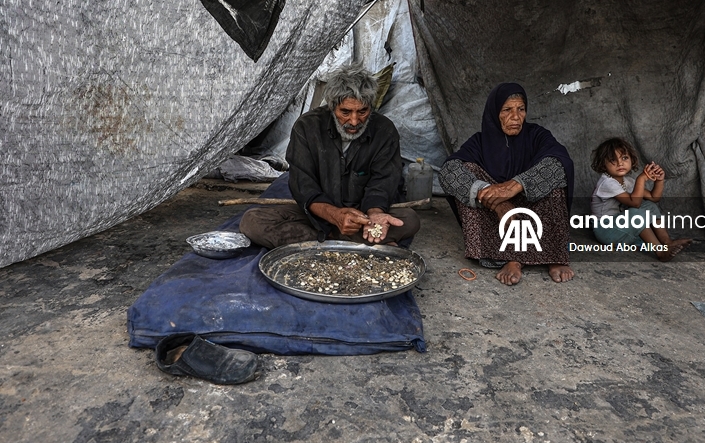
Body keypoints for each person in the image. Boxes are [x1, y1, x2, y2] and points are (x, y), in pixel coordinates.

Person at [239, 64, 420, 248]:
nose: (354, 121)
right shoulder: (307, 127)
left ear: (370, 108)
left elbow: (383, 182)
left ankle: (322, 242)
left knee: (410, 219)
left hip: (361, 214)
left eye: (362, 111)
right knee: (252, 221)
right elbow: (304, 185)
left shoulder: (384, 130)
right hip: (319, 213)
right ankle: (345, 240)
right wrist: (335, 216)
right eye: (345, 112)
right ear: (332, 107)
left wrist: (375, 214)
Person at [439, 83, 574, 285]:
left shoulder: (537, 135)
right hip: (498, 217)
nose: (516, 117)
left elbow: (560, 163)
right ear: (495, 113)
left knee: (554, 168)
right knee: (466, 170)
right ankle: (512, 258)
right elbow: (448, 172)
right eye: (507, 110)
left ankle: (553, 256)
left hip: (532, 210)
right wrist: (497, 202)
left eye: (521, 109)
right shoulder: (480, 142)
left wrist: (515, 186)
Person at [589, 138, 691, 261]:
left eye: (624, 158)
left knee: (649, 206)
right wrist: (641, 179)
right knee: (635, 212)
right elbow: (635, 203)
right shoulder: (607, 183)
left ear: (632, 160)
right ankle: (660, 252)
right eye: (613, 160)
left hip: (620, 226)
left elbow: (654, 198)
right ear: (603, 164)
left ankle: (667, 242)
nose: (620, 163)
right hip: (606, 230)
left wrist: (659, 180)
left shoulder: (628, 182)